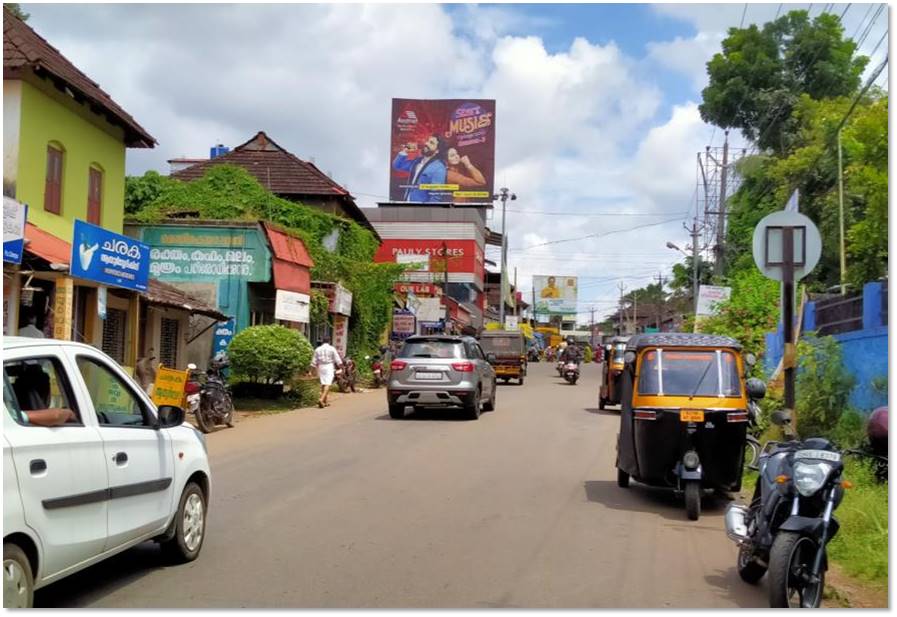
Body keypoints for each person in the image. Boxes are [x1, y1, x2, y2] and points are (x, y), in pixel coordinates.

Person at [392, 135, 448, 202]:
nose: (426, 143)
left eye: (431, 143)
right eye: (427, 141)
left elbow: (436, 196)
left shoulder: (439, 168)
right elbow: (397, 165)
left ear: (437, 151)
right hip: (407, 203)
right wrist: (405, 151)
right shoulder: (417, 161)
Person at [310, 337, 342, 408]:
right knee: (327, 384)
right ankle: (321, 399)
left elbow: (313, 361)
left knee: (323, 383)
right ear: (329, 341)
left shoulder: (317, 349)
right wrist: (341, 366)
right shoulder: (332, 348)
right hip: (329, 366)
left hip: (320, 367)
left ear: (322, 341)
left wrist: (310, 371)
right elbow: (337, 359)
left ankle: (325, 401)